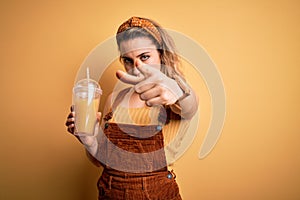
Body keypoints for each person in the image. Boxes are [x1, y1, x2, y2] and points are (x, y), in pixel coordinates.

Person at [65, 16, 198, 200]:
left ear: (162, 55)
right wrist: (89, 141)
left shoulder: (172, 96)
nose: (137, 67)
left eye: (145, 56)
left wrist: (177, 90)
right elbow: (103, 160)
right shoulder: (114, 99)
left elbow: (190, 106)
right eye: (128, 60)